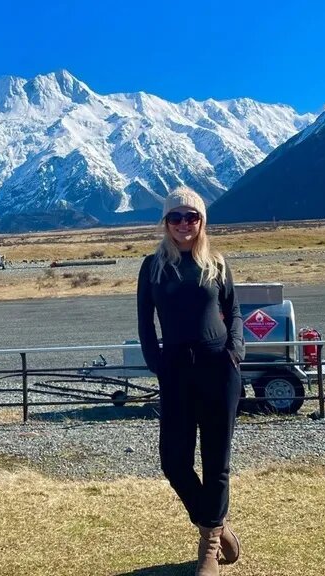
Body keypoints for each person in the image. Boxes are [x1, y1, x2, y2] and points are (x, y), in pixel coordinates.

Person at [136, 186, 245, 576]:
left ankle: (209, 549)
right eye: (176, 218)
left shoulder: (216, 263)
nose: (184, 224)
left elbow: (234, 312)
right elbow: (145, 322)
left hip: (219, 369)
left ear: (202, 222)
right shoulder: (153, 266)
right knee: (174, 462)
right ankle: (216, 523)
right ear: (165, 223)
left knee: (217, 463)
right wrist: (157, 363)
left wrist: (235, 352)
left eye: (192, 217)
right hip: (177, 371)